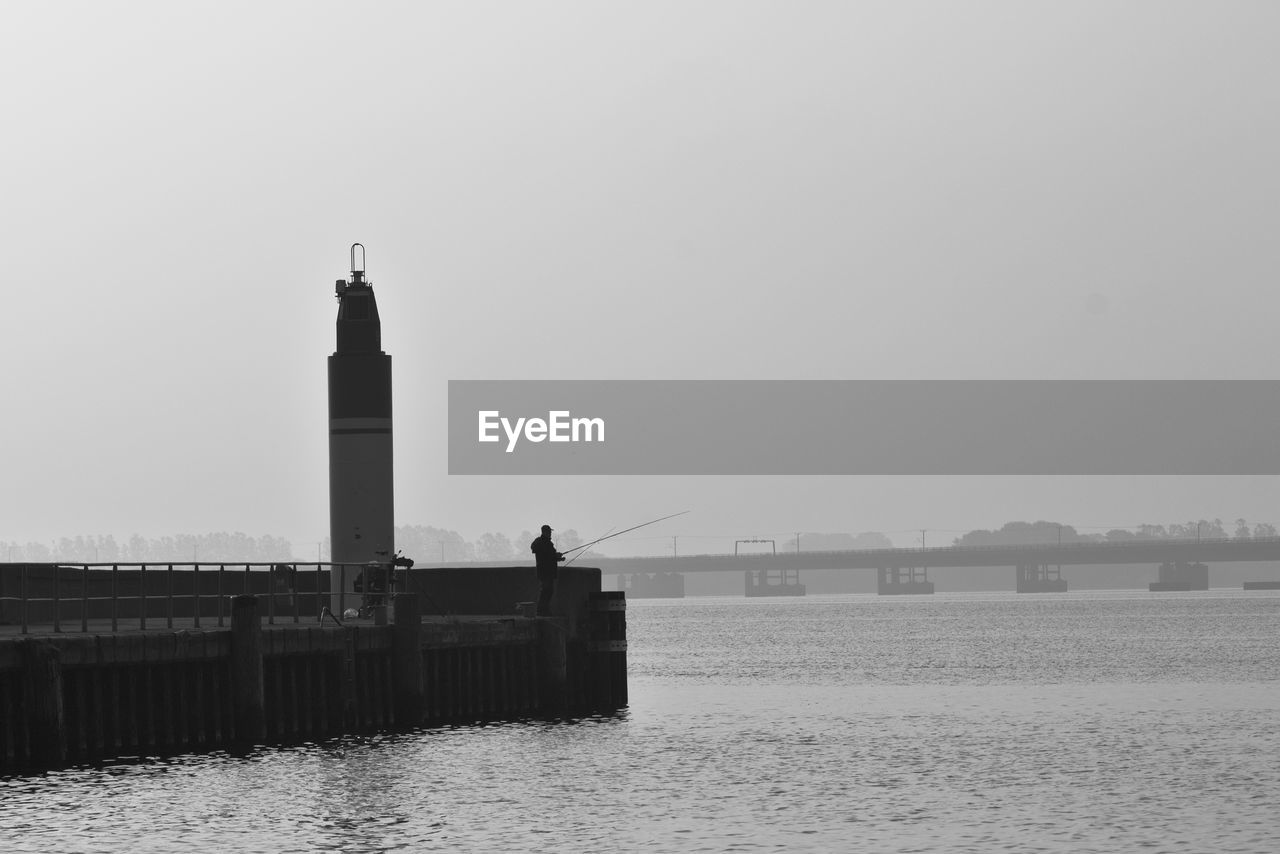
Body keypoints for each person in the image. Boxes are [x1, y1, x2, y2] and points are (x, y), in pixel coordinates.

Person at [530, 524, 564, 616]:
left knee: (548, 591)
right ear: (544, 532)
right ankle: (541, 610)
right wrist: (556, 556)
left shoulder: (544, 543)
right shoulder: (542, 542)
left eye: (550, 532)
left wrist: (558, 557)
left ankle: (544, 610)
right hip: (545, 571)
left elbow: (549, 556)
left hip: (546, 571)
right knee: (546, 591)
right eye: (549, 532)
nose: (550, 534)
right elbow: (546, 555)